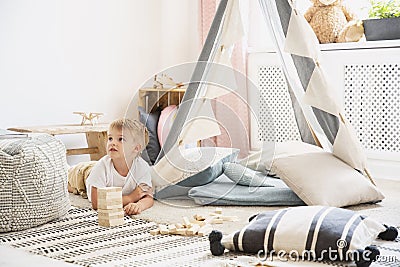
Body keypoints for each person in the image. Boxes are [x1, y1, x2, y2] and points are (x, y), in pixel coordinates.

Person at [86, 118, 153, 215]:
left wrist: (139, 205)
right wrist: (130, 198)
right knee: (73, 177)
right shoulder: (102, 166)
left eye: (121, 139)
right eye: (110, 138)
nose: (112, 143)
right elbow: (96, 203)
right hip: (85, 173)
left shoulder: (142, 168)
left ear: (136, 148)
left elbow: (148, 197)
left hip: (95, 171)